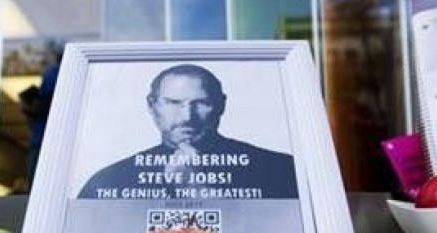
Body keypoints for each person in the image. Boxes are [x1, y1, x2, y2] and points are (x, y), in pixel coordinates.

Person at [77, 64, 298, 200]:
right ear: (151, 106)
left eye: (201, 103)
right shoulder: (106, 184)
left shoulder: (282, 171)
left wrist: (199, 190)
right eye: (173, 103)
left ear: (221, 105)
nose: (186, 117)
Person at [22, 51, 62, 187]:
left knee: (37, 185)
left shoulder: (54, 73)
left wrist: (30, 107)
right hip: (46, 139)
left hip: (45, 141)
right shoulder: (56, 73)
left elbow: (49, 102)